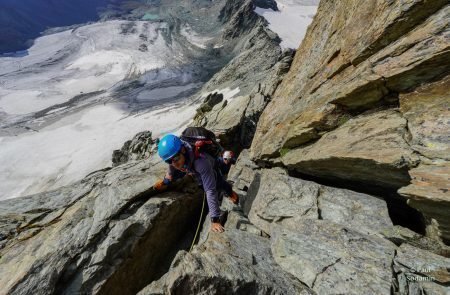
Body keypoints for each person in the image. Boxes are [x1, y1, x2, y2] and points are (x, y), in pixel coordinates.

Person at [153, 134, 239, 233]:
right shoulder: (177, 155)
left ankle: (227, 162)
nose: (174, 163)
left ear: (183, 150)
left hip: (209, 165)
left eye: (176, 159)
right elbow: (172, 165)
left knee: (219, 183)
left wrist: (215, 219)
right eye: (168, 161)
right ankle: (224, 160)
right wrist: (166, 181)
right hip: (193, 168)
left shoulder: (201, 163)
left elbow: (210, 190)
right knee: (203, 184)